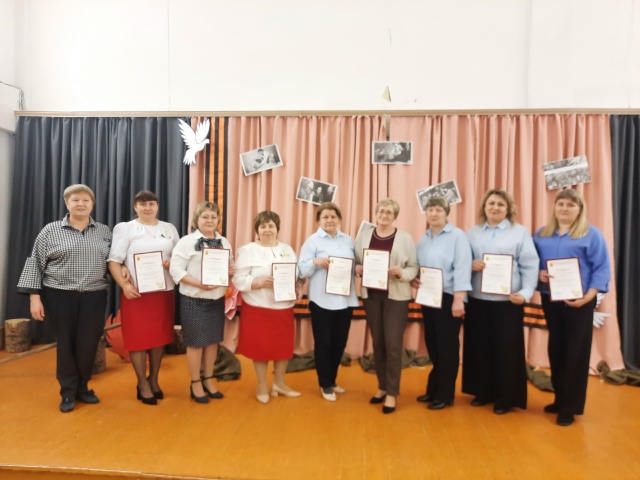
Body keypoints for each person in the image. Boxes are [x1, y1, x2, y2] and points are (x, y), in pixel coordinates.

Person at [17, 184, 112, 413]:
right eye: (75, 200)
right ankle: (68, 391)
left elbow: (114, 261)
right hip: (59, 295)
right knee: (66, 344)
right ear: (67, 203)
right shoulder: (50, 231)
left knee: (88, 344)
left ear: (92, 204)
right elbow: (35, 262)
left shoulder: (104, 231)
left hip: (94, 296)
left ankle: (83, 388)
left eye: (86, 200)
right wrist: (34, 298)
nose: (81, 204)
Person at [533, 189, 610, 426]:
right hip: (551, 299)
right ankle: (559, 398)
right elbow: (531, 264)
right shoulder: (541, 235)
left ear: (579, 209)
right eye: (561, 204)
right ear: (554, 207)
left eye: (571, 205)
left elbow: (602, 268)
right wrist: (539, 274)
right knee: (556, 349)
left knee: (576, 353)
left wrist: (588, 297)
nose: (565, 208)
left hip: (580, 302)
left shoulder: (591, 235)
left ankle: (570, 407)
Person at [462, 189, 539, 414]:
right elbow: (461, 262)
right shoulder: (472, 233)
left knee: (507, 351)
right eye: (491, 203)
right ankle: (482, 392)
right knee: (479, 347)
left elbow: (530, 265)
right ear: (484, 207)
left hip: (508, 302)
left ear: (508, 209)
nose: (495, 207)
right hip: (477, 300)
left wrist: (525, 292)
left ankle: (505, 398)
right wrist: (470, 265)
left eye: (500, 204)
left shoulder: (519, 232)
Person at [108, 190, 180, 406]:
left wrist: (173, 260)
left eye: (151, 204)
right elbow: (114, 261)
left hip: (163, 292)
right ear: (135, 207)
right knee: (138, 340)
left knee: (159, 338)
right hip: (136, 294)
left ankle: (154, 379)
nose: (147, 208)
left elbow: (180, 255)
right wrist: (124, 285)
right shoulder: (125, 228)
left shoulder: (169, 228)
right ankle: (142, 383)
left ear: (157, 206)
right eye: (142, 204)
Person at [355, 198, 418, 413]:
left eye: (389, 212)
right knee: (378, 343)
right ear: (376, 213)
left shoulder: (405, 238)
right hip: (371, 296)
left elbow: (413, 267)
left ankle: (392, 393)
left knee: (393, 345)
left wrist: (401, 273)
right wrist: (358, 270)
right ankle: (382, 387)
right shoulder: (364, 236)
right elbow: (357, 262)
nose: (384, 215)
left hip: (396, 298)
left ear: (395, 216)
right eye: (381, 211)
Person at [232, 211, 303, 404]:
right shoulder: (248, 250)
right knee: (261, 348)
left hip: (284, 307)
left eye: (271, 226)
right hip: (259, 307)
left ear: (277, 229)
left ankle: (279, 383)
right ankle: (262, 385)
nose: (267, 230)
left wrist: (298, 287)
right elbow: (238, 279)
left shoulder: (287, 249)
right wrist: (258, 282)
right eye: (263, 226)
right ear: (257, 230)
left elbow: (296, 274)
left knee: (283, 348)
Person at [170, 201, 235, 404]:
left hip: (216, 299)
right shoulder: (186, 242)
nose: (209, 220)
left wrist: (230, 270)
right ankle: (195, 382)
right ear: (197, 220)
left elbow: (230, 265)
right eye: (205, 216)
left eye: (213, 217)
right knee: (196, 343)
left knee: (213, 341)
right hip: (194, 299)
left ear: (218, 220)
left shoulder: (224, 241)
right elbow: (175, 269)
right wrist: (198, 283)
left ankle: (208, 378)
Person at [412, 196, 472, 410]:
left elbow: (463, 268)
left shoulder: (458, 236)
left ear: (447, 213)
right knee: (433, 345)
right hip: (428, 297)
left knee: (447, 348)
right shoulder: (424, 238)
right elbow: (417, 266)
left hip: (449, 298)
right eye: (430, 210)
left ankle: (445, 395)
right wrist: (414, 277)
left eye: (438, 210)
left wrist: (458, 300)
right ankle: (434, 389)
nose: (434, 213)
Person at [298, 203, 359, 401]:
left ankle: (332, 380)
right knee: (323, 343)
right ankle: (325, 384)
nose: (330, 220)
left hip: (345, 300)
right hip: (321, 301)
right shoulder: (312, 242)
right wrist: (314, 262)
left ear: (339, 219)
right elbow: (301, 270)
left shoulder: (348, 240)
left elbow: (354, 267)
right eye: (325, 217)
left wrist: (359, 270)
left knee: (339, 343)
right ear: (318, 220)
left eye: (333, 216)